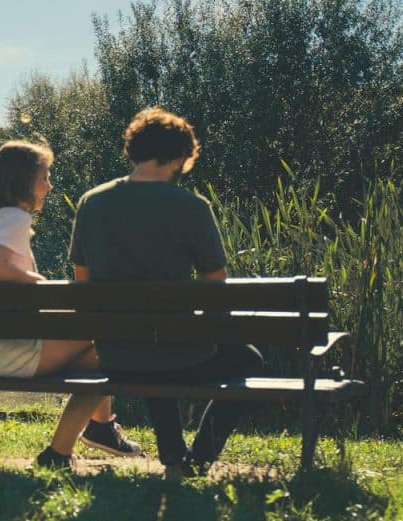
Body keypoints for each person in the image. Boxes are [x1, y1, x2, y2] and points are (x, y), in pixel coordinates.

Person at [68, 107, 264, 480]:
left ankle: (174, 455)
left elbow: (82, 281)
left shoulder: (91, 203)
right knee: (248, 360)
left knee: (152, 342)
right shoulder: (191, 207)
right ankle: (198, 458)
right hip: (179, 351)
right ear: (179, 156)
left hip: (116, 353)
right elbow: (215, 286)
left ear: (134, 150)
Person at [0, 140, 142, 468]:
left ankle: (99, 428)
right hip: (7, 352)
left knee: (97, 355)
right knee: (115, 347)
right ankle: (74, 443)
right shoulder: (14, 216)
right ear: (22, 180)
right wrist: (43, 286)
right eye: (44, 177)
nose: (49, 185)